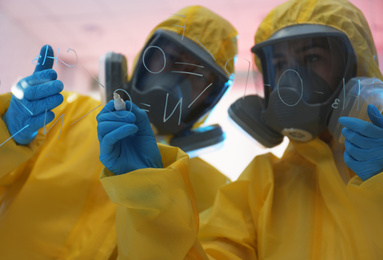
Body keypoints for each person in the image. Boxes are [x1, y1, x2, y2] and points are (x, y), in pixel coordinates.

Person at [97, 0, 383, 259]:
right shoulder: (260, 185)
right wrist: (146, 195)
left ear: (356, 65)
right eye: (280, 64)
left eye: (312, 59)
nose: (291, 80)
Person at [0, 6, 237, 259]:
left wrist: (154, 193)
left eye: (197, 76)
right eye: (168, 59)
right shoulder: (64, 113)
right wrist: (7, 132)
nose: (173, 82)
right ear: (144, 59)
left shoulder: (216, 192)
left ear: (211, 97)